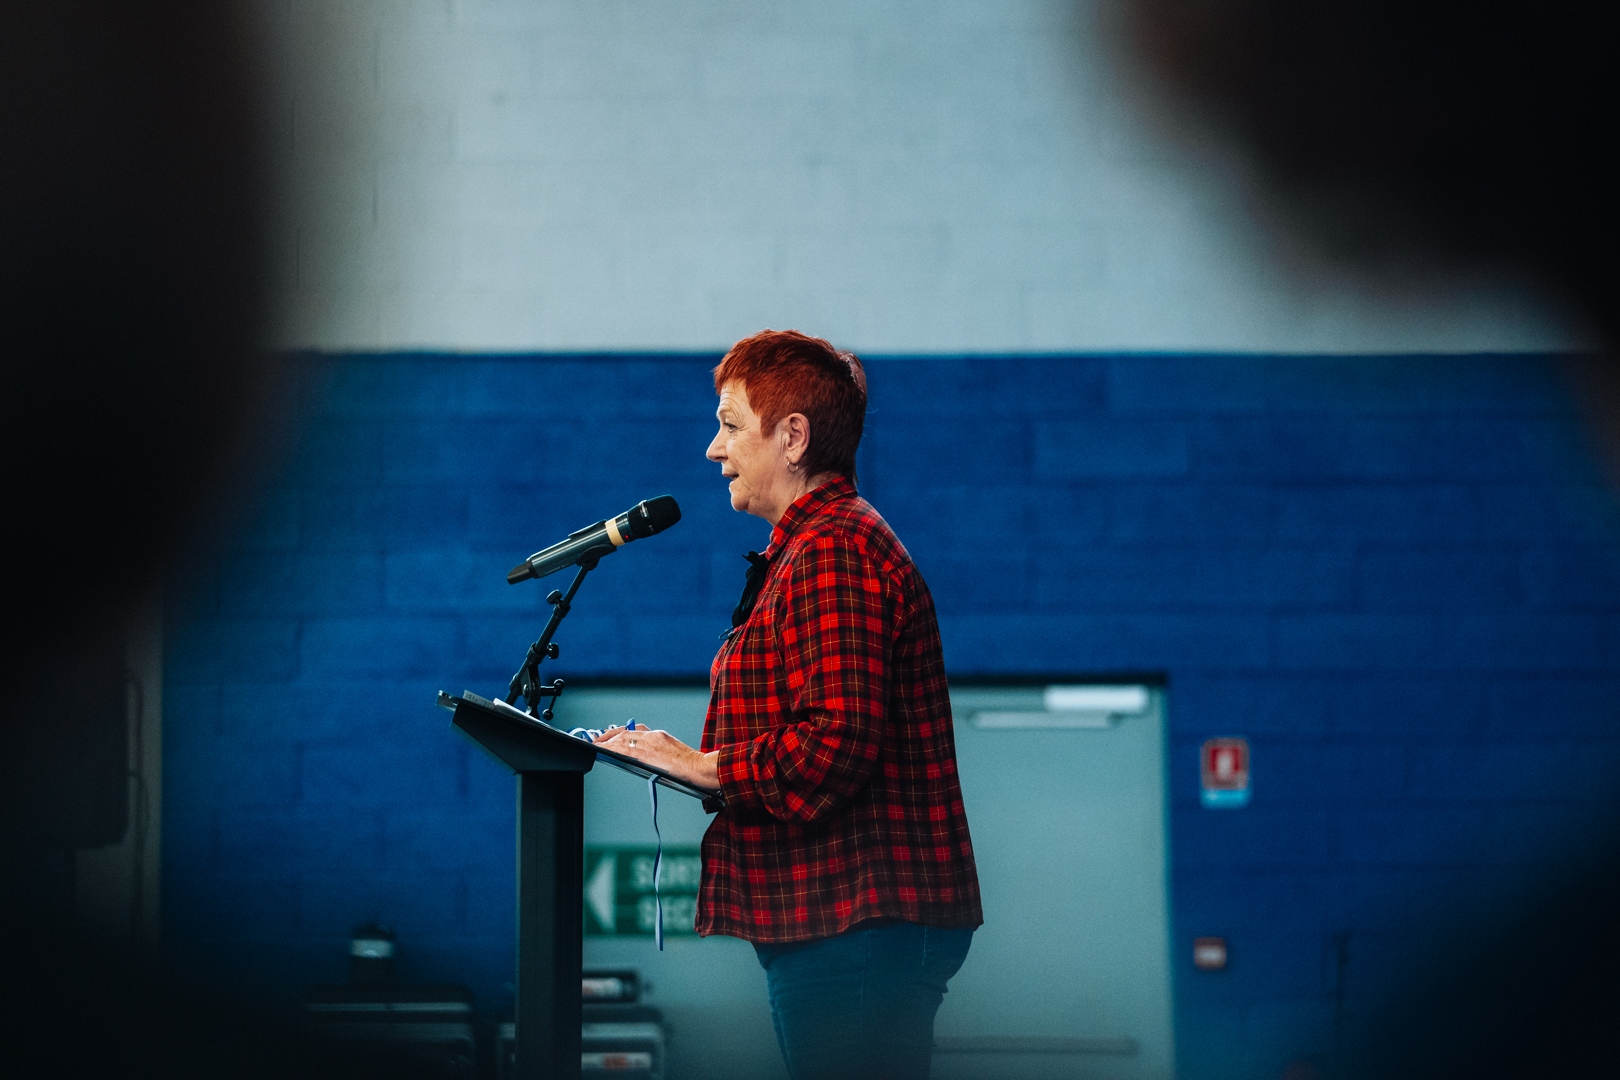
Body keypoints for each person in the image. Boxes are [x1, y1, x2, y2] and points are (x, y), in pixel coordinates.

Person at [595, 329, 983, 1080]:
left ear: (794, 437)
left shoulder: (834, 549)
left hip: (858, 919)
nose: (715, 449)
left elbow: (836, 740)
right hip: (844, 920)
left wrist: (705, 766)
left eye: (731, 424)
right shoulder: (813, 546)